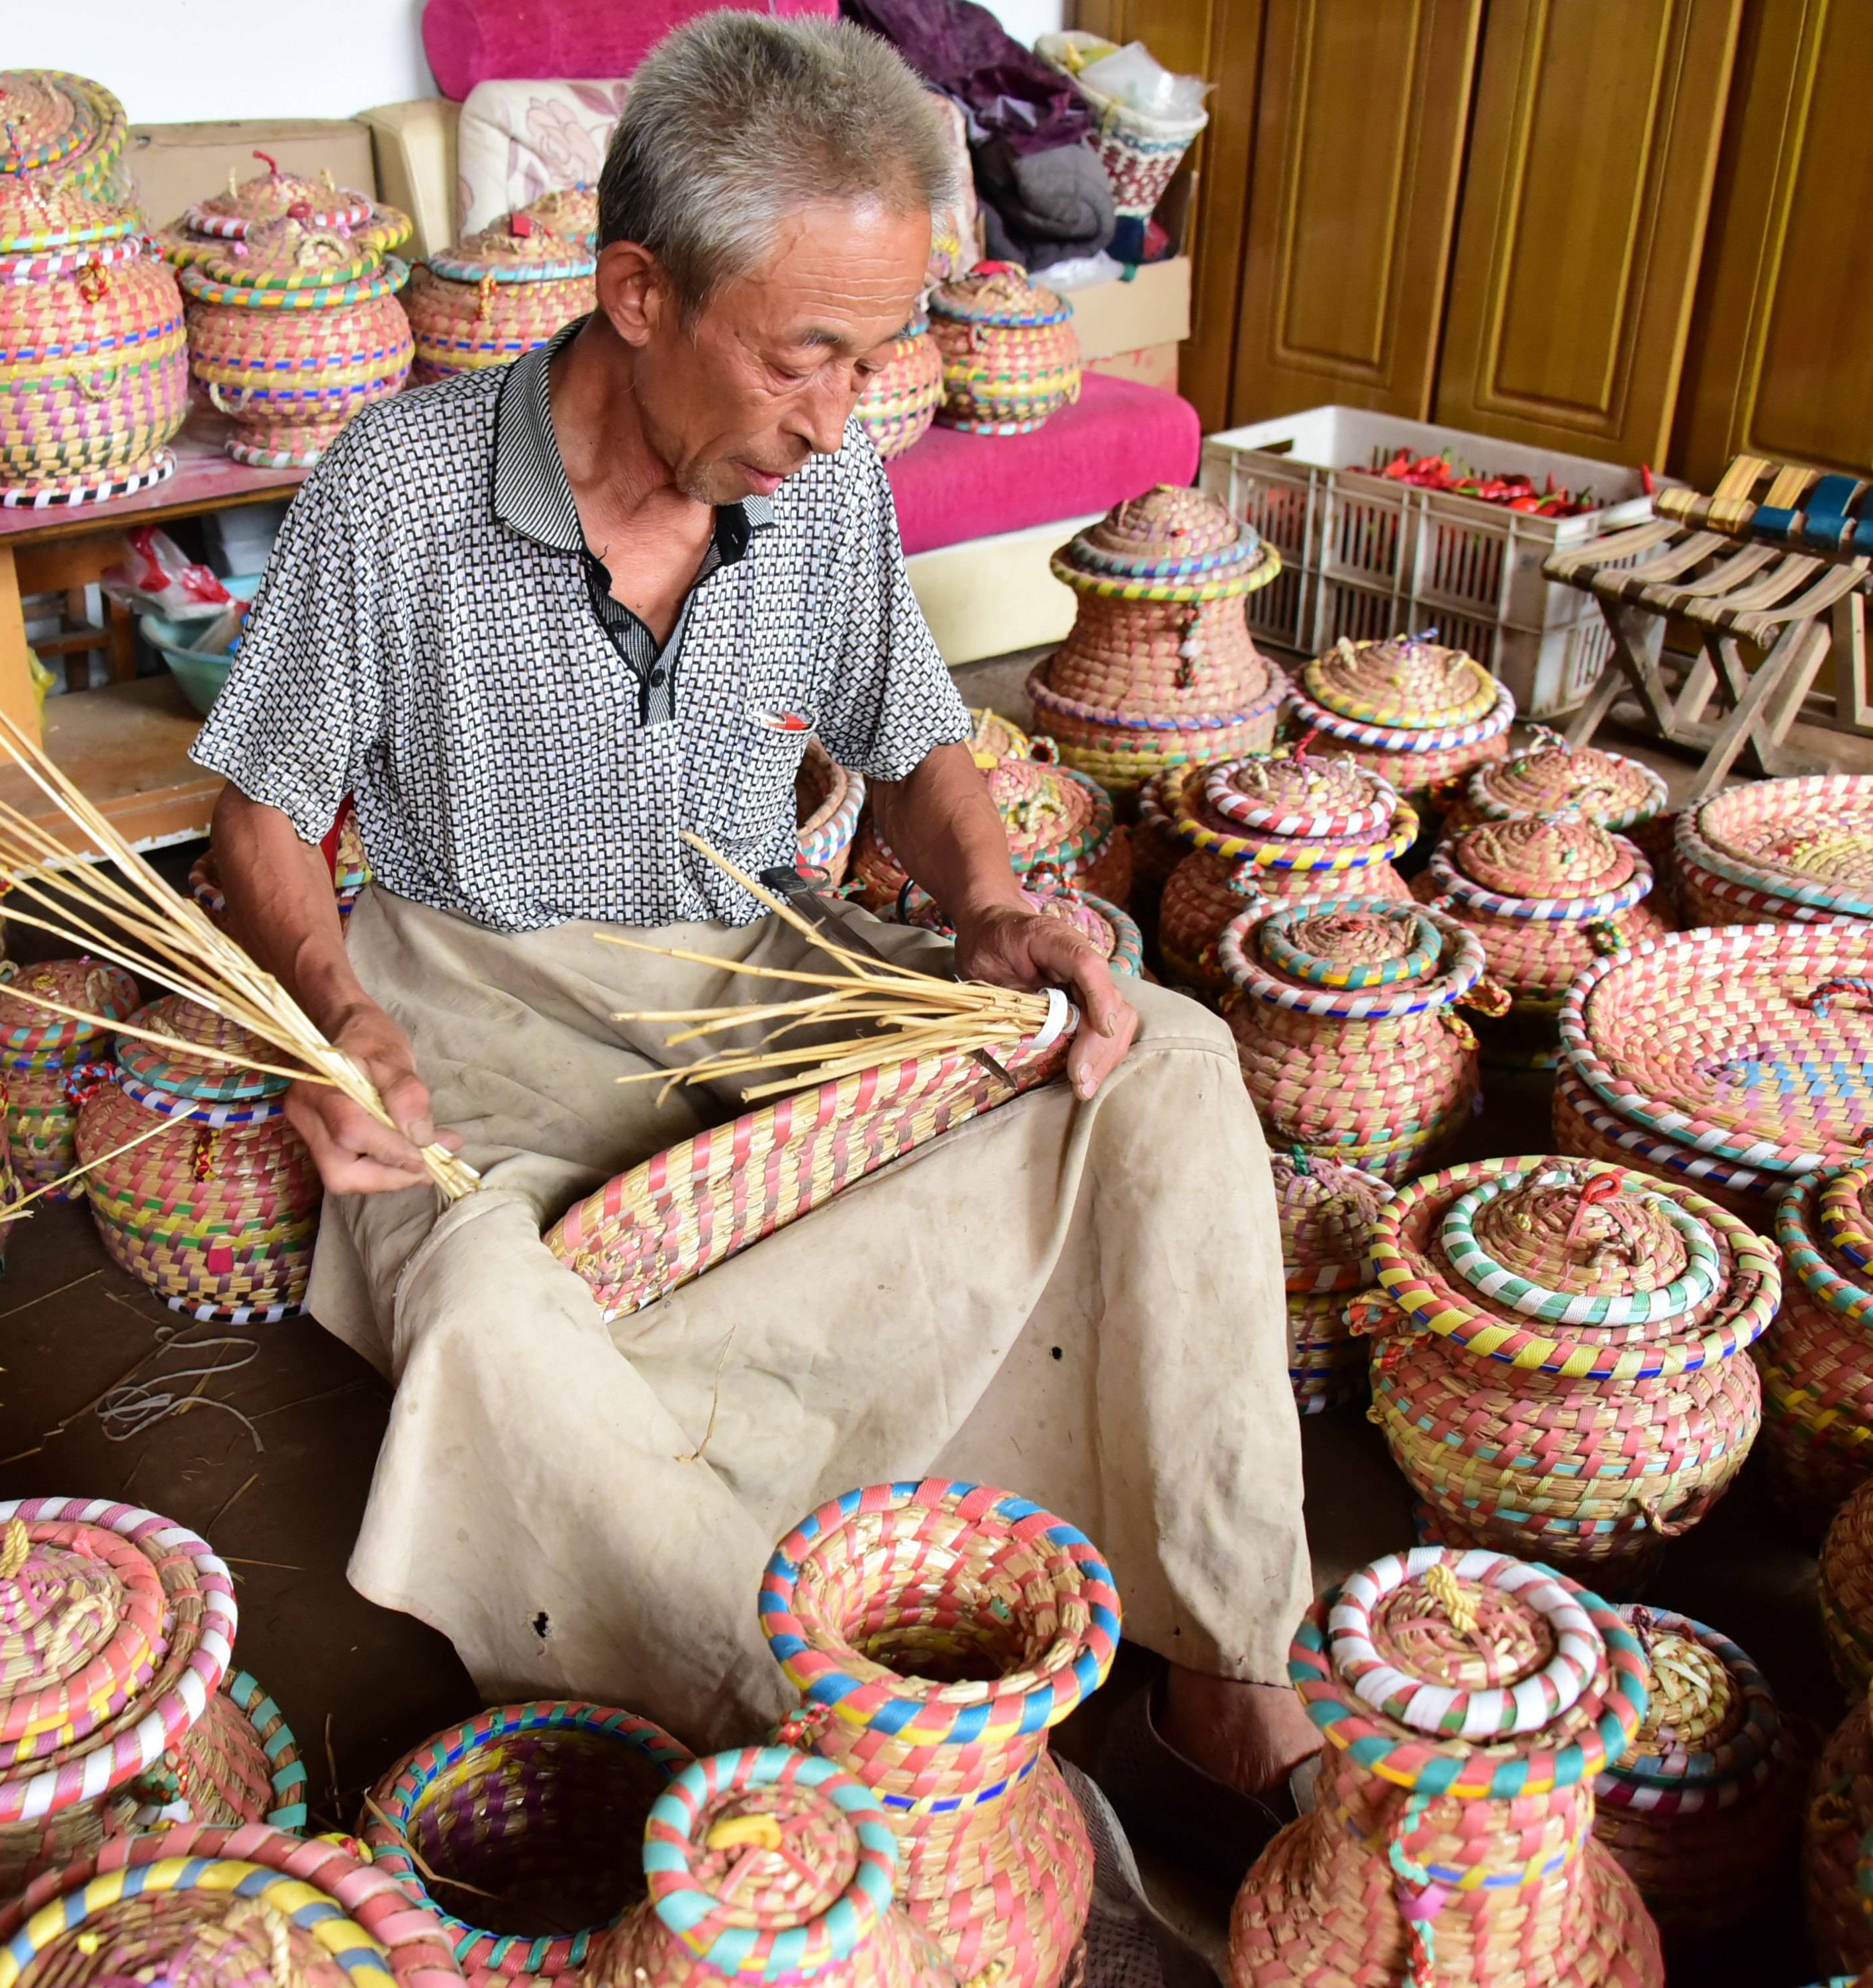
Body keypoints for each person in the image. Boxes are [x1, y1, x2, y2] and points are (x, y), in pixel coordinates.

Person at [193, 10, 1316, 1877]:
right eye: (807, 353)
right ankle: (824, 1749)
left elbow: (906, 738)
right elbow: (261, 805)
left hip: (759, 978)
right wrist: (332, 1027)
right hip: (473, 999)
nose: (841, 408)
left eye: (877, 357)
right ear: (636, 292)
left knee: (1164, 1062)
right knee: (489, 1321)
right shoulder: (394, 490)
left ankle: (1227, 1668)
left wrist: (989, 906)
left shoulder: (819, 481)